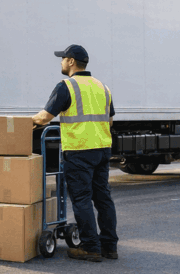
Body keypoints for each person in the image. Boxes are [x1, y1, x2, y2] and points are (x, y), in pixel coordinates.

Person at [32, 44, 117, 262]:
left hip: (79, 150)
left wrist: (23, 124)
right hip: (102, 149)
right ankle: (109, 247)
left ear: (71, 62)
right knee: (103, 198)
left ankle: (91, 247)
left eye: (63, 58)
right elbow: (109, 121)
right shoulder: (103, 87)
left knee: (82, 199)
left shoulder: (67, 86)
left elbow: (44, 117)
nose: (61, 62)